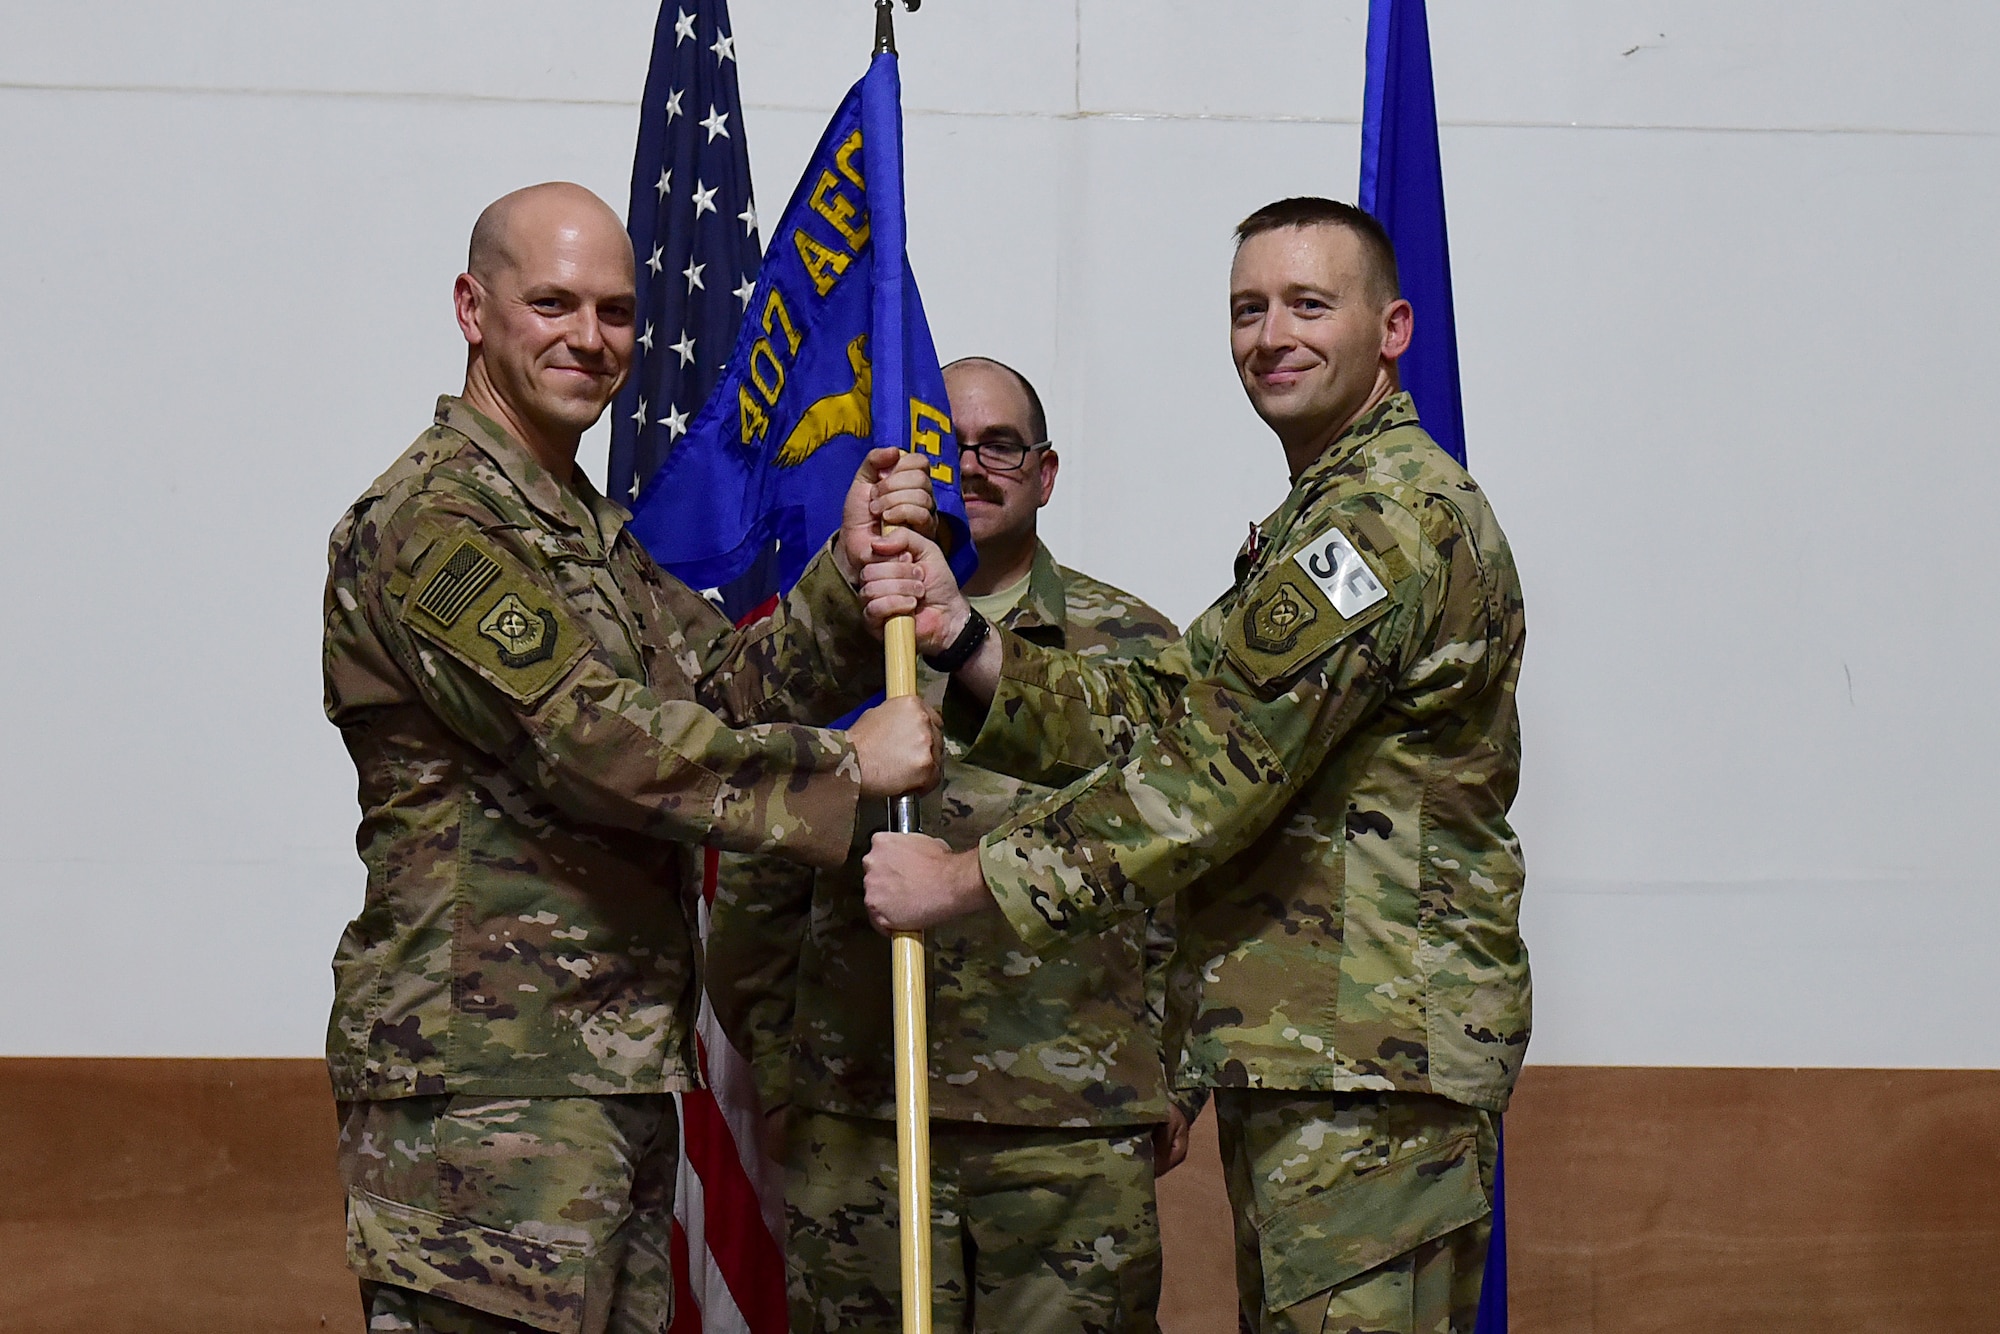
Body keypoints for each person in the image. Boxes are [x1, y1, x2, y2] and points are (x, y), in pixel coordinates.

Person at [857, 198, 1530, 1334]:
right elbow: (1170, 707)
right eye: (1247, 309)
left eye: (1309, 304)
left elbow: (1204, 778)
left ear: (1393, 327)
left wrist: (960, 882)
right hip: (1326, 1052)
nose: (1272, 335)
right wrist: (963, 642)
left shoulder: (1381, 521)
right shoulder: (1326, 513)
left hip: (1365, 1061)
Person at [321, 181, 944, 1334]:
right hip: (488, 1096)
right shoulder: (433, 522)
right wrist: (842, 770)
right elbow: (590, 738)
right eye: (551, 302)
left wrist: (843, 585)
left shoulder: (582, 530)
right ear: (473, 306)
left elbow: (714, 690)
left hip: (602, 1076)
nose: (589, 337)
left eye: (614, 311)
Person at [706, 357, 1189, 1334]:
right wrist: (789, 1073)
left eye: (999, 444)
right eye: (945, 445)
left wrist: (1174, 1076)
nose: (971, 466)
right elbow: (759, 863)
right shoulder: (848, 633)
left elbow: (1183, 865)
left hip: (1070, 1137)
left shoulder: (1131, 644)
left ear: (1045, 472)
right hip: (864, 1128)